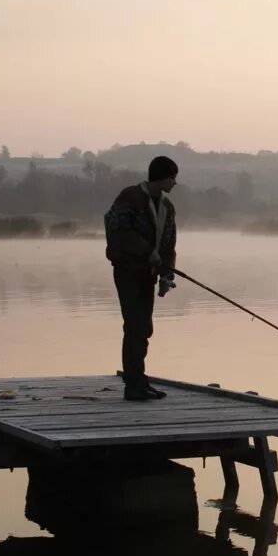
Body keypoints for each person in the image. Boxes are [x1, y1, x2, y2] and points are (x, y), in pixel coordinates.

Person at [104, 156, 178, 401]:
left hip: (148, 275)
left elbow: (168, 244)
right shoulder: (130, 197)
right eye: (172, 177)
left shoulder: (168, 207)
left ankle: (139, 381)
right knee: (134, 325)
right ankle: (133, 385)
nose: (175, 183)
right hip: (127, 271)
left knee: (144, 327)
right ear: (161, 177)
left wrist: (167, 273)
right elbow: (118, 231)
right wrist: (147, 252)